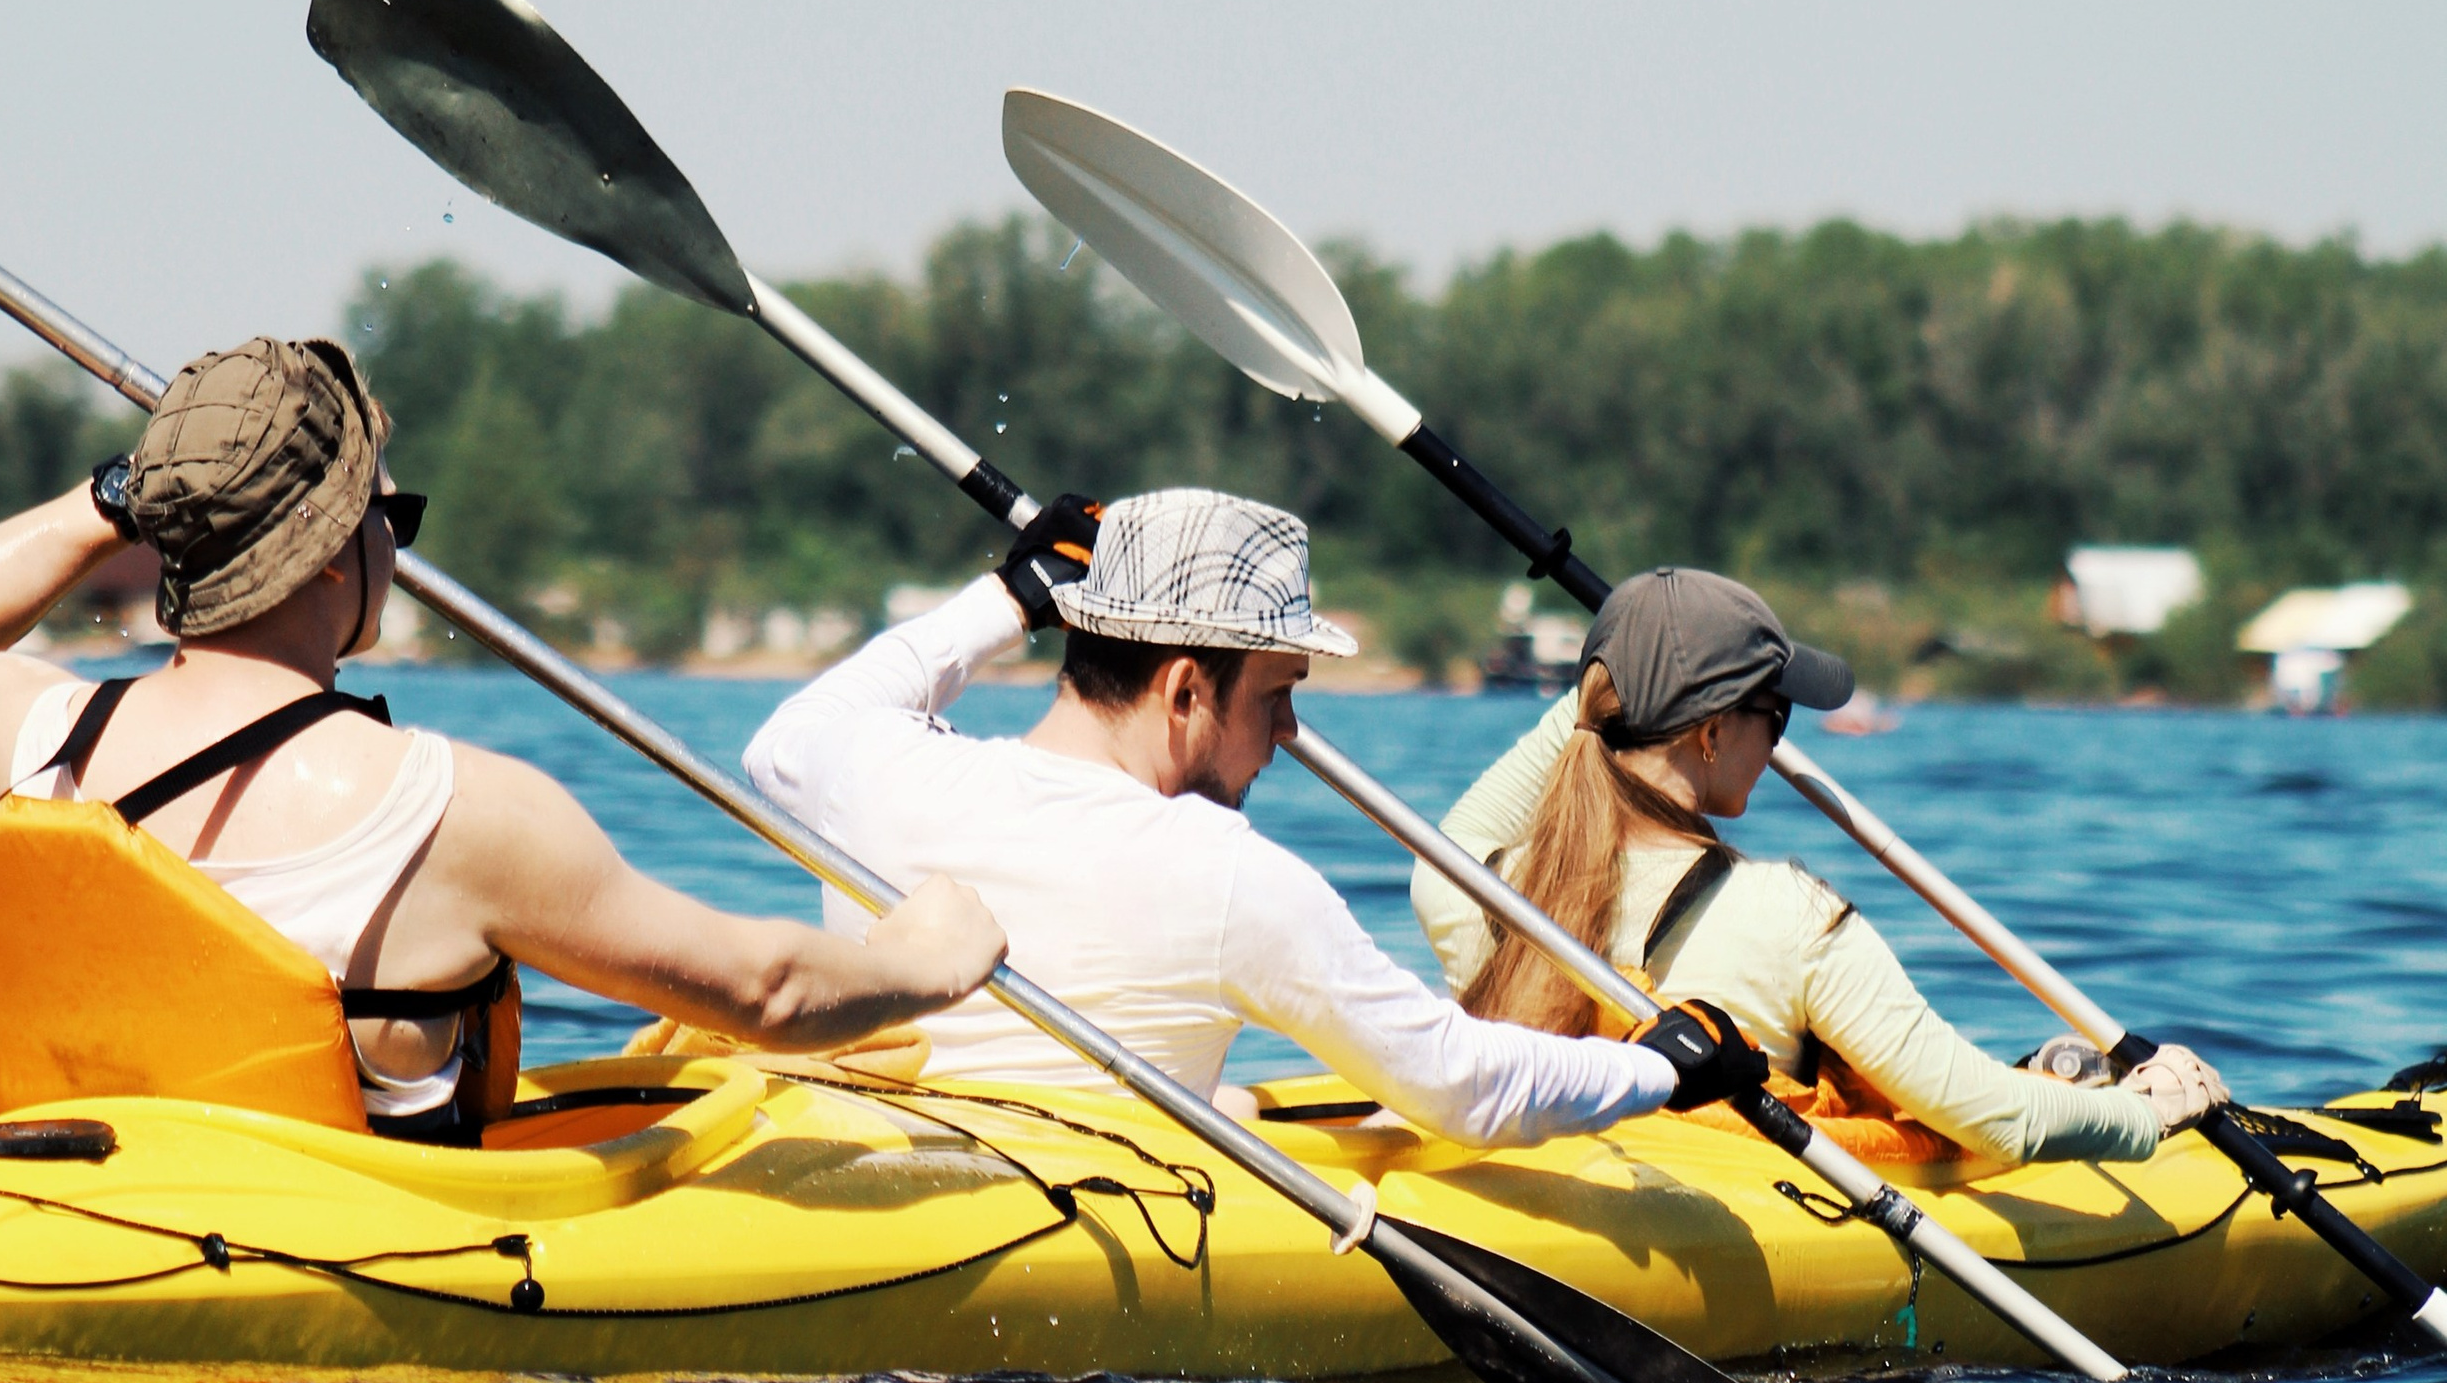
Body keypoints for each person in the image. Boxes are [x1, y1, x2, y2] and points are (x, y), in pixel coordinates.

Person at [0, 333, 1003, 1135]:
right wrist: (921, 962)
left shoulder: (32, 745)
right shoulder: (458, 814)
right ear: (333, 553)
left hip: (79, 1280)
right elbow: (763, 992)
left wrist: (121, 493)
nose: (394, 542)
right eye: (389, 515)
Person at [744, 485, 1761, 1144]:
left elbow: (781, 742)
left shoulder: (872, 771)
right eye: (1275, 696)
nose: (1286, 736)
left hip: (879, 1196)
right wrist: (1654, 1068)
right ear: (1185, 692)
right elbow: (1461, 1086)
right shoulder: (1224, 874)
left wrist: (1010, 598)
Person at [1415, 566, 2225, 1168]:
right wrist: (2141, 1113)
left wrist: (1632, 658)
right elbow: (1993, 1121)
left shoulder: (1483, 891)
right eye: (1775, 714)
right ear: (1708, 734)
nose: (1778, 744)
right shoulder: (1788, 918)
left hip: (1543, 1189)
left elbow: (1579, 735)